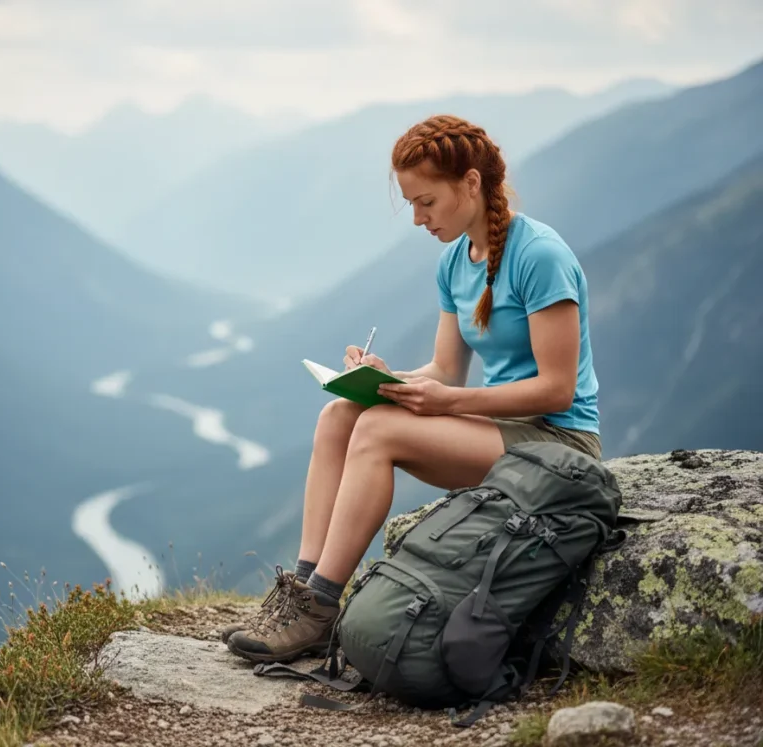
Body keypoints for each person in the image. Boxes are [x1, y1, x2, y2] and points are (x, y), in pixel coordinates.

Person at [222, 113, 602, 664]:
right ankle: (300, 592)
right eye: (412, 205)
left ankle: (321, 608)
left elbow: (556, 391)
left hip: (560, 449)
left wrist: (449, 402)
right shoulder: (456, 261)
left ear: (471, 184)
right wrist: (382, 377)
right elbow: (445, 369)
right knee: (341, 415)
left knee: (376, 431)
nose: (419, 218)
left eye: (426, 202)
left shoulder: (539, 256)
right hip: (501, 431)